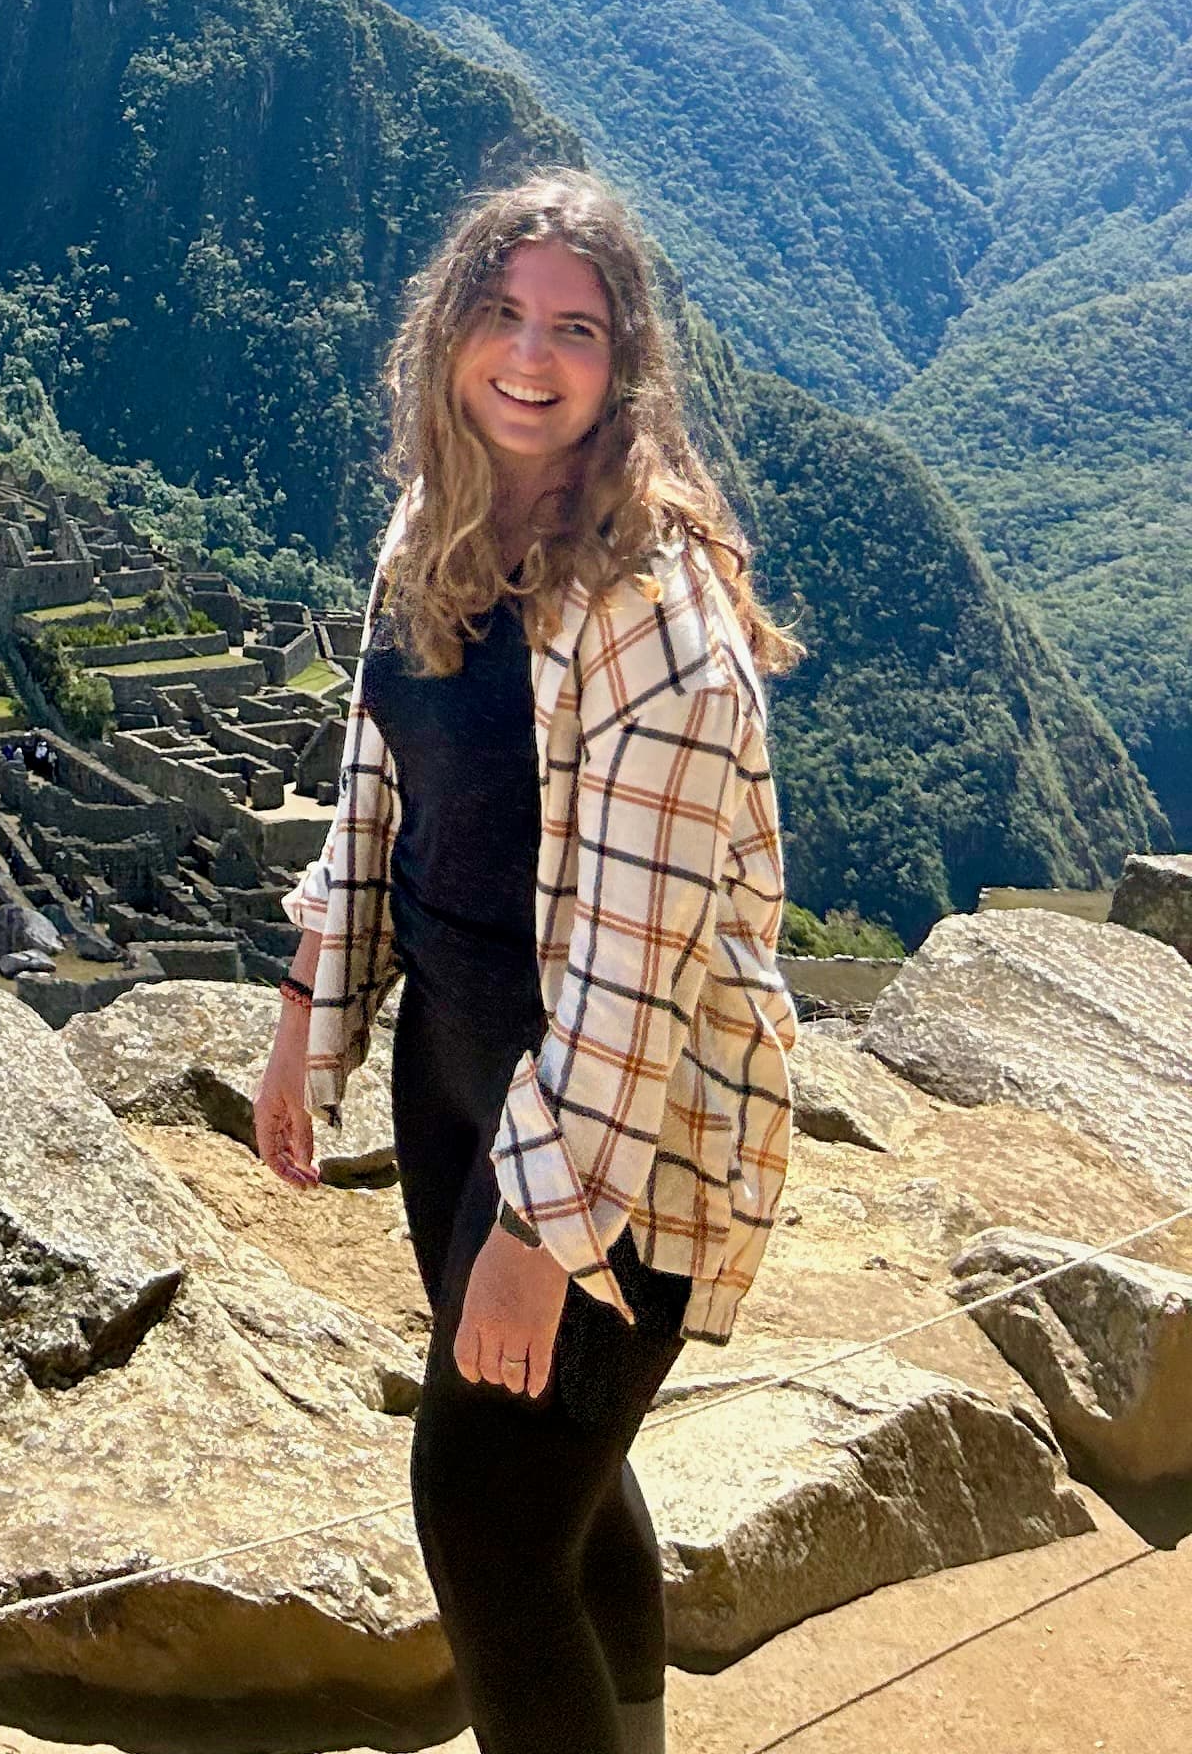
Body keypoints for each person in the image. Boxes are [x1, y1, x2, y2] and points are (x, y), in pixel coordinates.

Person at [253, 171, 798, 1754]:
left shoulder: (658, 621)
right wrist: (309, 1015)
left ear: (624, 364)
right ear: (450, 332)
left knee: (483, 1531)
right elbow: (380, 803)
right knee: (570, 1501)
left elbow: (638, 977)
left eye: (574, 326)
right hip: (459, 1082)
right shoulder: (437, 531)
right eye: (502, 313)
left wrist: (538, 1239)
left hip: (629, 1147)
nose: (530, 356)